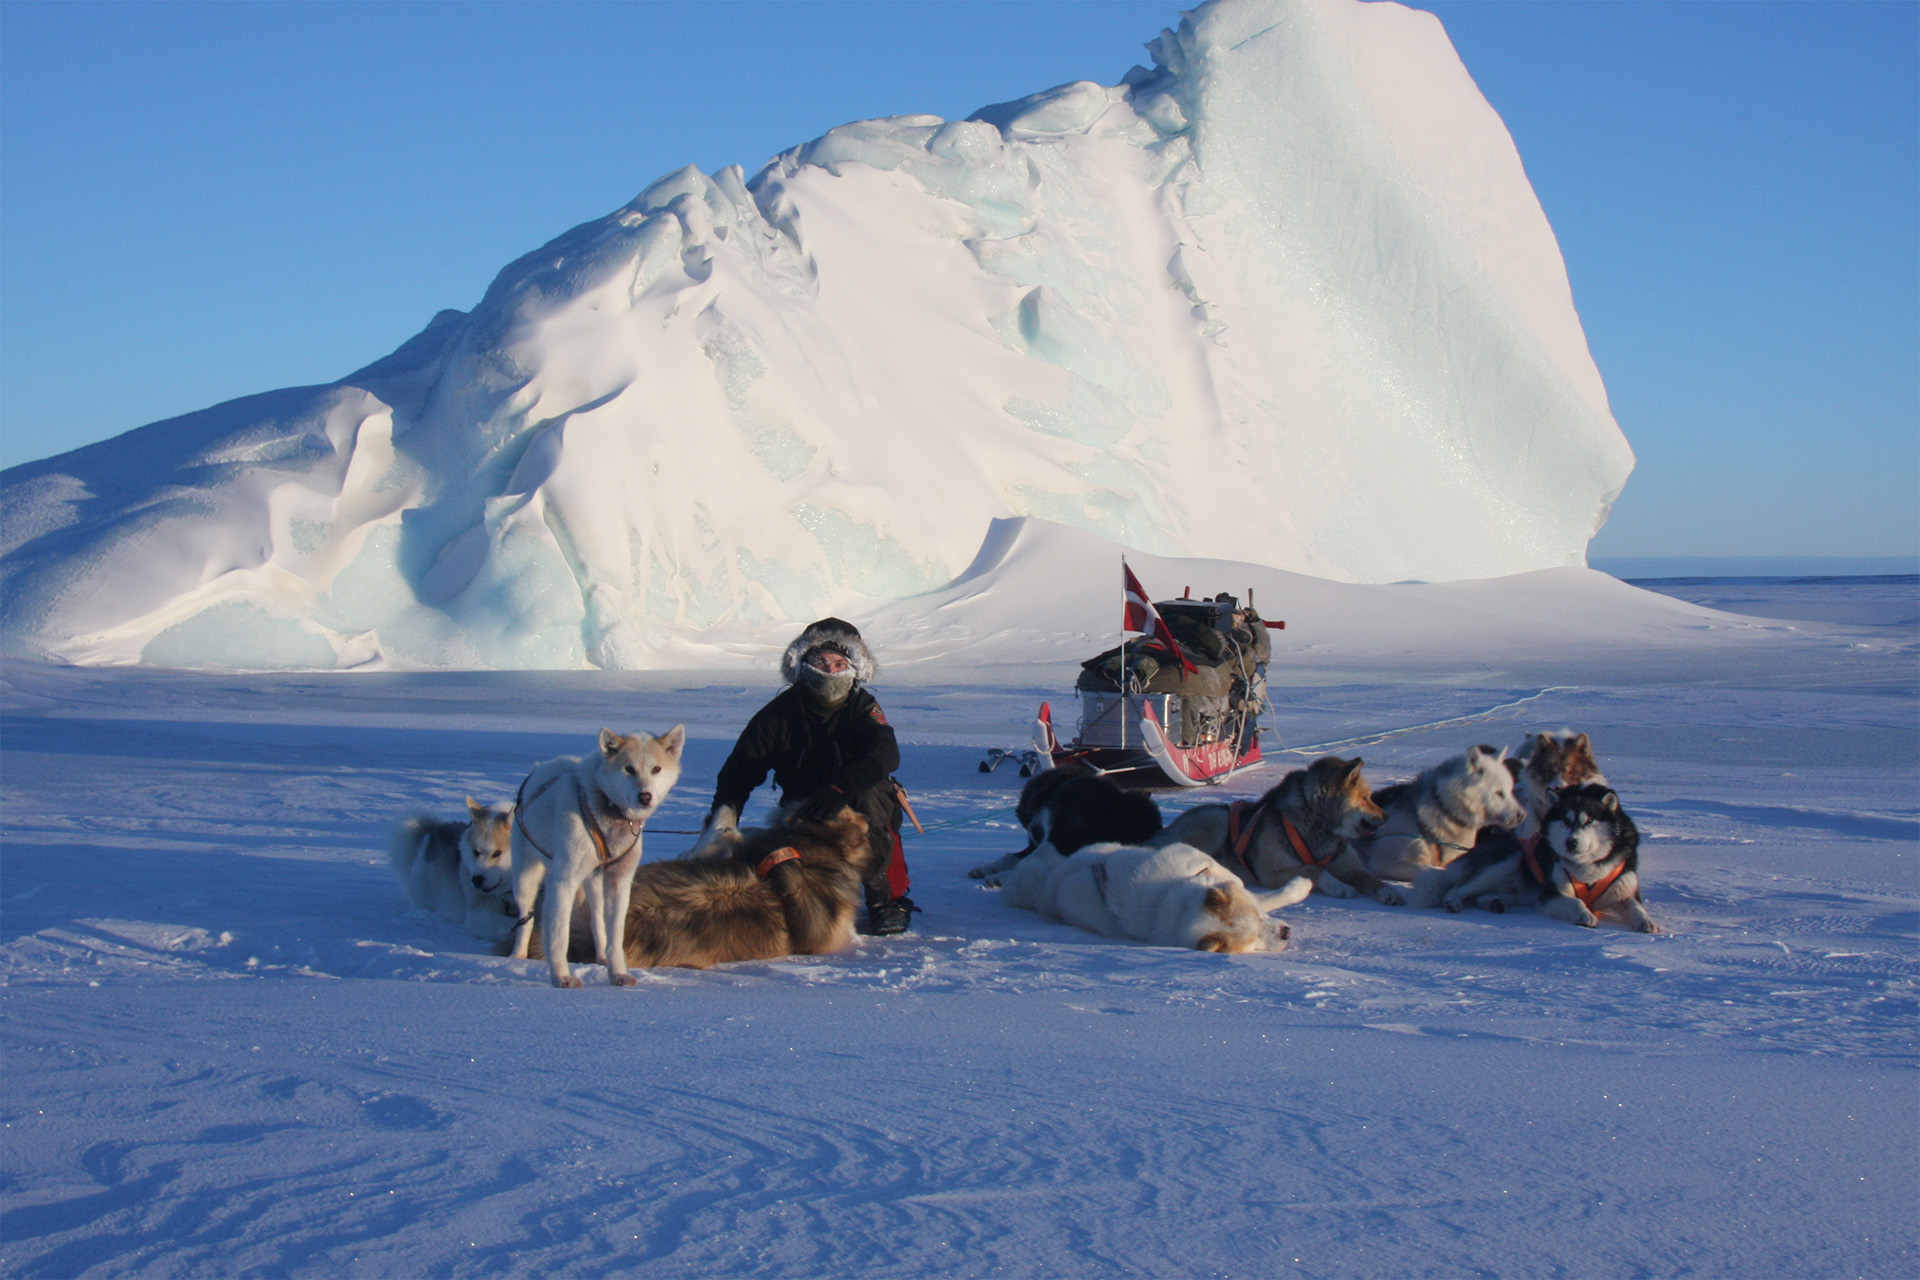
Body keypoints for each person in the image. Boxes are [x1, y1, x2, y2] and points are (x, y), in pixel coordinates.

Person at [706, 618, 919, 935]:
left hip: (857, 799)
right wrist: (724, 818)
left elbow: (885, 753)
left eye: (838, 662)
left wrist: (840, 788)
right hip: (804, 808)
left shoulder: (862, 707)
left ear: (853, 666)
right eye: (820, 661)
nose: (830, 669)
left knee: (875, 797)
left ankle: (885, 900)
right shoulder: (779, 714)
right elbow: (740, 769)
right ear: (801, 663)